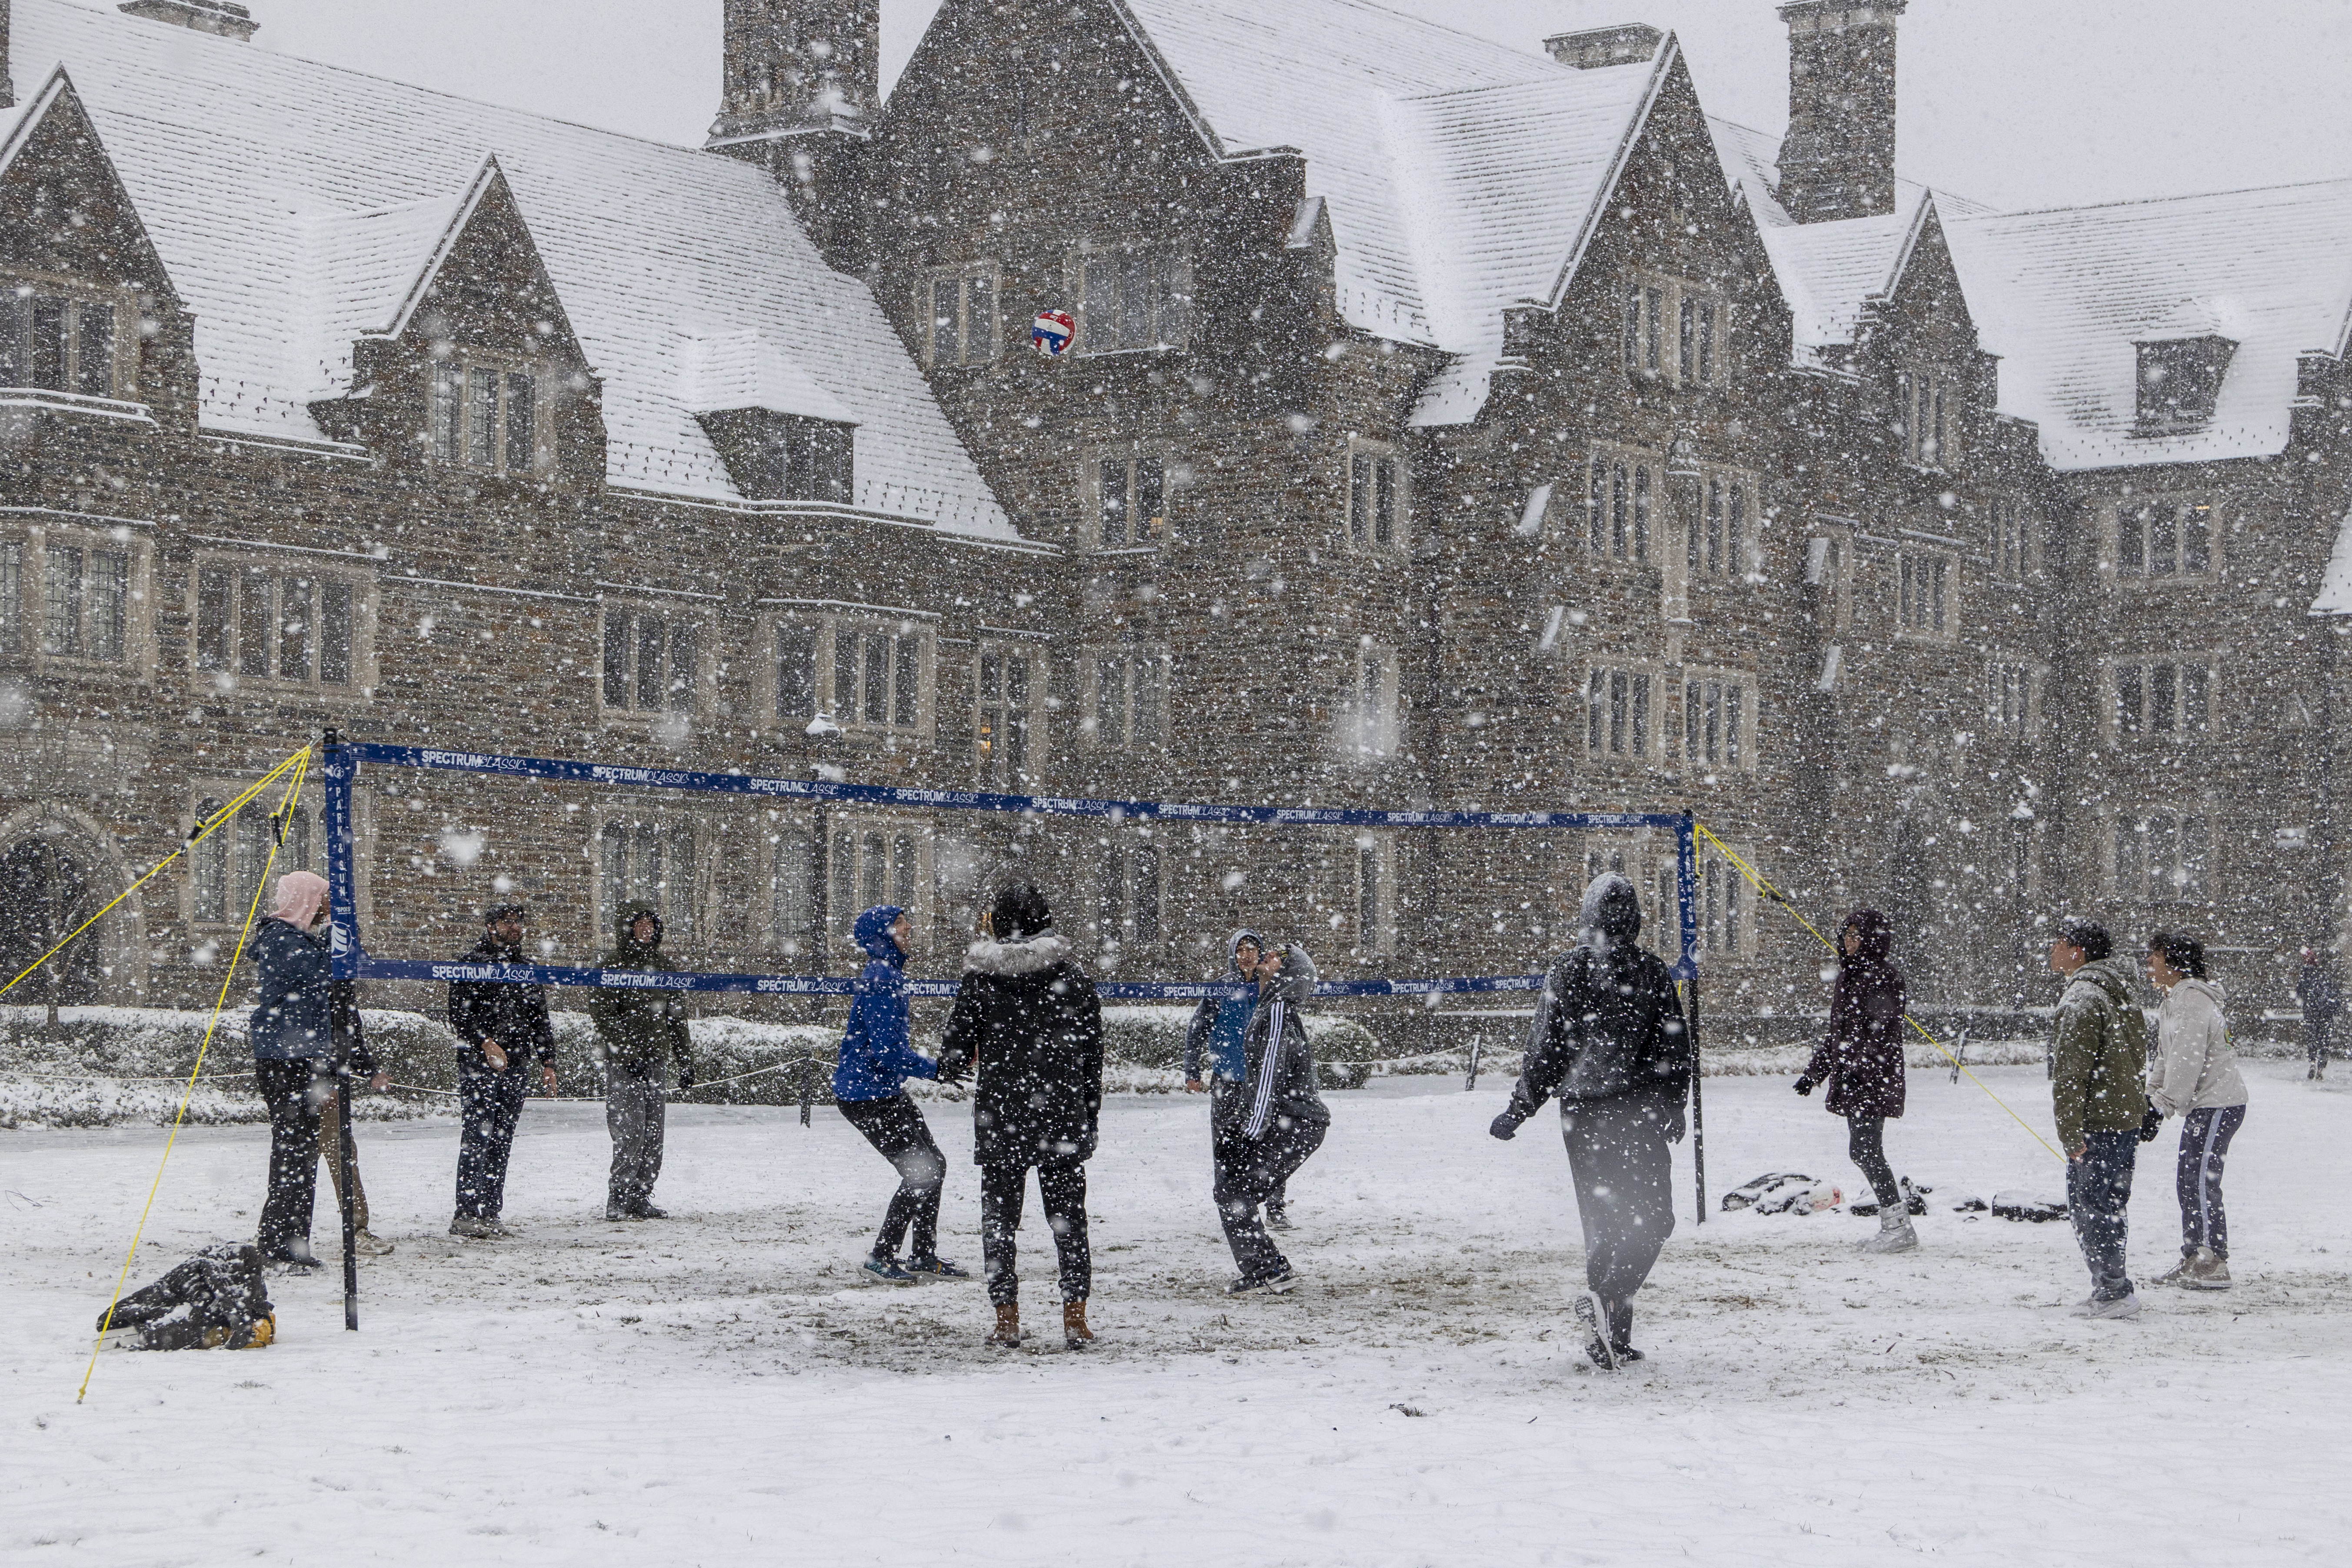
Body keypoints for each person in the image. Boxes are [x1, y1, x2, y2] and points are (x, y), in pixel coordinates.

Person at [1488, 873, 1691, 1370]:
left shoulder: (1572, 970)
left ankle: (1606, 1326)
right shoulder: (1648, 971)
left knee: (1602, 1222)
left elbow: (1545, 1048)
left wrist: (1522, 1105)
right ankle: (1609, 1320)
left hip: (1582, 1113)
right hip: (1633, 1112)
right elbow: (1673, 1046)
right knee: (1651, 1218)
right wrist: (1670, 1103)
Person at [937, 883, 1104, 1351]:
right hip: (1061, 1114)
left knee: (998, 1221)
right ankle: (1075, 1316)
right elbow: (1093, 1055)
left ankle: (1005, 1316)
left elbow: (953, 1052)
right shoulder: (1070, 976)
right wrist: (1087, 1116)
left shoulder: (980, 979)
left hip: (1002, 1115)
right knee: (1069, 1219)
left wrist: (963, 1057)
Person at [834, 904, 966, 1285]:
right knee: (923, 1171)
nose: (908, 929)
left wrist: (938, 1069)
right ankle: (881, 1256)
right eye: (899, 925)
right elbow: (887, 1051)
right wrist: (937, 1069)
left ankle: (923, 1255)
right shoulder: (880, 977)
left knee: (933, 1164)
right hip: (865, 1096)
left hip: (881, 1091)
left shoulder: (888, 973)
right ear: (881, 935)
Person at [1796, 909, 1916, 1254]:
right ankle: (1896, 1225)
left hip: (1872, 1081)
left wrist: (1856, 1069)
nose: (1848, 941)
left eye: (1855, 935)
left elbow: (1880, 1035)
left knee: (1865, 1150)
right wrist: (1814, 1073)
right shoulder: (1849, 976)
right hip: (1855, 1080)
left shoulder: (1882, 977)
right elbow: (1839, 1035)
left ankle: (1898, 1227)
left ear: (1871, 939)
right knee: (1864, 1151)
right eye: (1845, 935)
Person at [1212, 942, 1329, 1294]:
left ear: (1287, 972)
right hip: (1287, 1121)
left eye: (1279, 955)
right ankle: (1265, 1267)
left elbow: (1269, 1080)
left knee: (1232, 1190)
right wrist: (1242, 1122)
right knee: (1232, 1190)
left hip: (1297, 1123)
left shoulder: (1277, 1010)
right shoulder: (1269, 1006)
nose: (1268, 955)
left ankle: (1269, 1268)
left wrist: (1247, 1133)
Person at [2049, 919, 2150, 1320]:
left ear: (2077, 951)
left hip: (2099, 1122)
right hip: (2124, 1118)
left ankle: (2112, 1292)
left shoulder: (2082, 997)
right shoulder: (2117, 989)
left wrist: (2070, 1131)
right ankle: (2109, 1286)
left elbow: (2071, 1073)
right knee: (2111, 1205)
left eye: (2058, 942)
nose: (2052, 950)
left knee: (2090, 1208)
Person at [446, 904, 558, 1239]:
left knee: (502, 1137)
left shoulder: (526, 968)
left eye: (518, 921)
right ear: (491, 926)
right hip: (478, 1063)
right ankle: (466, 1212)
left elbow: (539, 1018)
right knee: (477, 1135)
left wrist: (547, 1062)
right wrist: (485, 1042)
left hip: (517, 1063)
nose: (514, 927)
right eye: (507, 922)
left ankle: (492, 1211)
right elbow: (458, 1013)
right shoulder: (471, 963)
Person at [2146, 931, 2247, 1290]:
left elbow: (2187, 1060)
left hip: (2220, 1103)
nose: (2149, 965)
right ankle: (2193, 1254)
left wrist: (2163, 1105)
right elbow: (2164, 1056)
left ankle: (2213, 1260)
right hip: (2203, 1105)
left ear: (2173, 963)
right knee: (2187, 1180)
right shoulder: (2172, 1001)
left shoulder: (2192, 1000)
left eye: (2154, 957)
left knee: (2202, 1181)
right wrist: (2150, 1098)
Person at [248, 870, 335, 1270]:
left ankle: (293, 1242)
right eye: (323, 899)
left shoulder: (299, 940)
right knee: (291, 1151)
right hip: (285, 1060)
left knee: (302, 1153)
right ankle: (276, 1241)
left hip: (300, 1056)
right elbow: (320, 971)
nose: (327, 908)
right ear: (306, 900)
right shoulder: (282, 940)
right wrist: (339, 935)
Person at [588, 902, 695, 1222]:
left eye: (651, 923)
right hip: (625, 1065)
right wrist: (626, 1053)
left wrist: (685, 1060)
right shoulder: (612, 966)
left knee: (653, 1132)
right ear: (628, 928)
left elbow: (677, 1018)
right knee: (629, 1130)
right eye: (640, 924)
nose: (646, 929)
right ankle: (618, 1197)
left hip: (656, 1060)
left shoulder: (664, 966)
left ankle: (641, 1195)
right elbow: (604, 1015)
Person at [1186, 929, 1294, 1229]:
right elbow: (1196, 1031)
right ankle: (1229, 1202)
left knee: (1270, 1143)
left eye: (1252, 948)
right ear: (1233, 954)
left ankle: (1275, 1206)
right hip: (1227, 1080)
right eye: (1241, 949)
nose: (1247, 954)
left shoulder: (1271, 988)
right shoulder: (1220, 989)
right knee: (1224, 1143)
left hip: (1264, 1082)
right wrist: (1192, 1071)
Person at [319, 972, 393, 1256]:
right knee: (311, 1159)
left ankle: (356, 1227)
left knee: (341, 1155)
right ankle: (277, 1231)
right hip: (308, 1091)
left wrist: (372, 1071)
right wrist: (320, 1082)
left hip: (328, 1090)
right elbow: (302, 1037)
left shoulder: (343, 987)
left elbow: (351, 1038)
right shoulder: (314, 979)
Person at [2295, 948, 2338, 1082]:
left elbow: (2300, 993)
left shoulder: (2305, 974)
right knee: (2325, 1040)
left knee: (2312, 1038)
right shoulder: (2324, 974)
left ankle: (2313, 1063)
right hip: (2325, 1012)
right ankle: (2320, 1068)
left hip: (2311, 1012)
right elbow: (2333, 991)